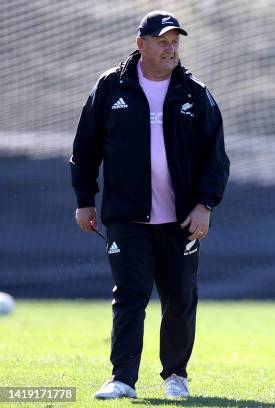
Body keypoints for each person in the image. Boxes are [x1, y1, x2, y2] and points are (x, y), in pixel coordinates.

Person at [70, 10, 230, 399]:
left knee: (180, 297)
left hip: (181, 220)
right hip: (126, 216)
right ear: (141, 44)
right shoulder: (111, 87)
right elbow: (85, 148)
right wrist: (84, 201)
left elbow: (216, 157)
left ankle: (176, 375)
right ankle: (122, 378)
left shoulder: (195, 92)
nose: (170, 48)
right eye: (162, 41)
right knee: (129, 296)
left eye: (175, 41)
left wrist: (205, 205)